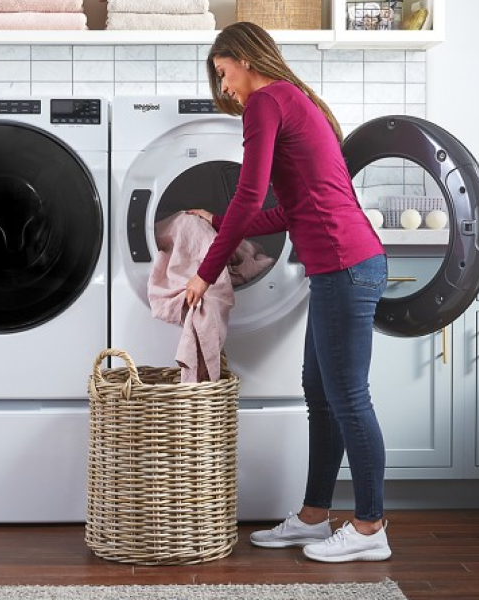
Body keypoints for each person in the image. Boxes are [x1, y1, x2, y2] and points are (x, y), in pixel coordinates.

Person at [184, 21, 391, 563]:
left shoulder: (267, 102)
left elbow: (251, 197)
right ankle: (313, 518)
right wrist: (222, 218)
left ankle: (371, 528)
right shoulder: (294, 99)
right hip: (343, 266)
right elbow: (290, 209)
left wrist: (206, 269)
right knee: (321, 394)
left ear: (244, 58)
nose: (225, 88)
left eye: (223, 73)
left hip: (345, 265)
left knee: (347, 398)